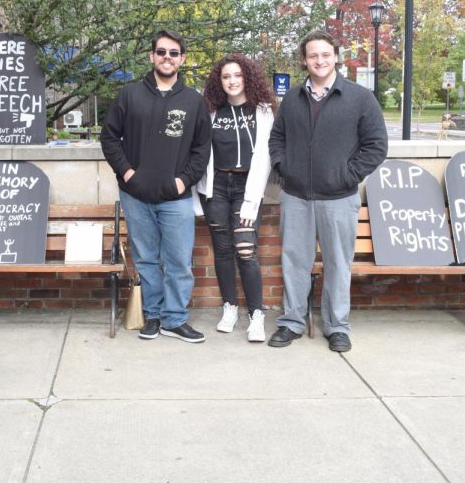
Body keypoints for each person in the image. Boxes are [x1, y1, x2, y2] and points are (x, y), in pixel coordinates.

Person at [268, 29, 387, 352]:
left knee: (337, 263)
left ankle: (337, 327)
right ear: (304, 60)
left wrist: (346, 175)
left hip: (339, 198)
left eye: (324, 54)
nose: (319, 60)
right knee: (294, 261)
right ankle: (292, 322)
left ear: (335, 56)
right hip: (295, 197)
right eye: (312, 55)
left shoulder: (360, 98)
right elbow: (276, 138)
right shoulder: (292, 98)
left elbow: (376, 147)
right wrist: (283, 167)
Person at [100, 30, 211, 343]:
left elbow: (202, 148)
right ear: (151, 56)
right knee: (147, 260)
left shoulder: (193, 101)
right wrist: (127, 173)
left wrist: (183, 180)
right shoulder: (129, 95)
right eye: (161, 52)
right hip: (136, 196)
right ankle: (154, 316)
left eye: (173, 53)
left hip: (175, 198)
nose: (167, 58)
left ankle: (175, 320)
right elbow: (109, 138)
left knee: (179, 261)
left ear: (182, 59)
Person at [194, 54, 275, 342]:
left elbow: (266, 157)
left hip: (246, 187)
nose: (232, 81)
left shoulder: (263, 112)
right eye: (226, 76)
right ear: (220, 81)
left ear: (247, 77)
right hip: (216, 187)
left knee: (245, 249)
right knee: (223, 249)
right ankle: (229, 307)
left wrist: (253, 199)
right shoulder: (211, 111)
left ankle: (257, 314)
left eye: (237, 75)